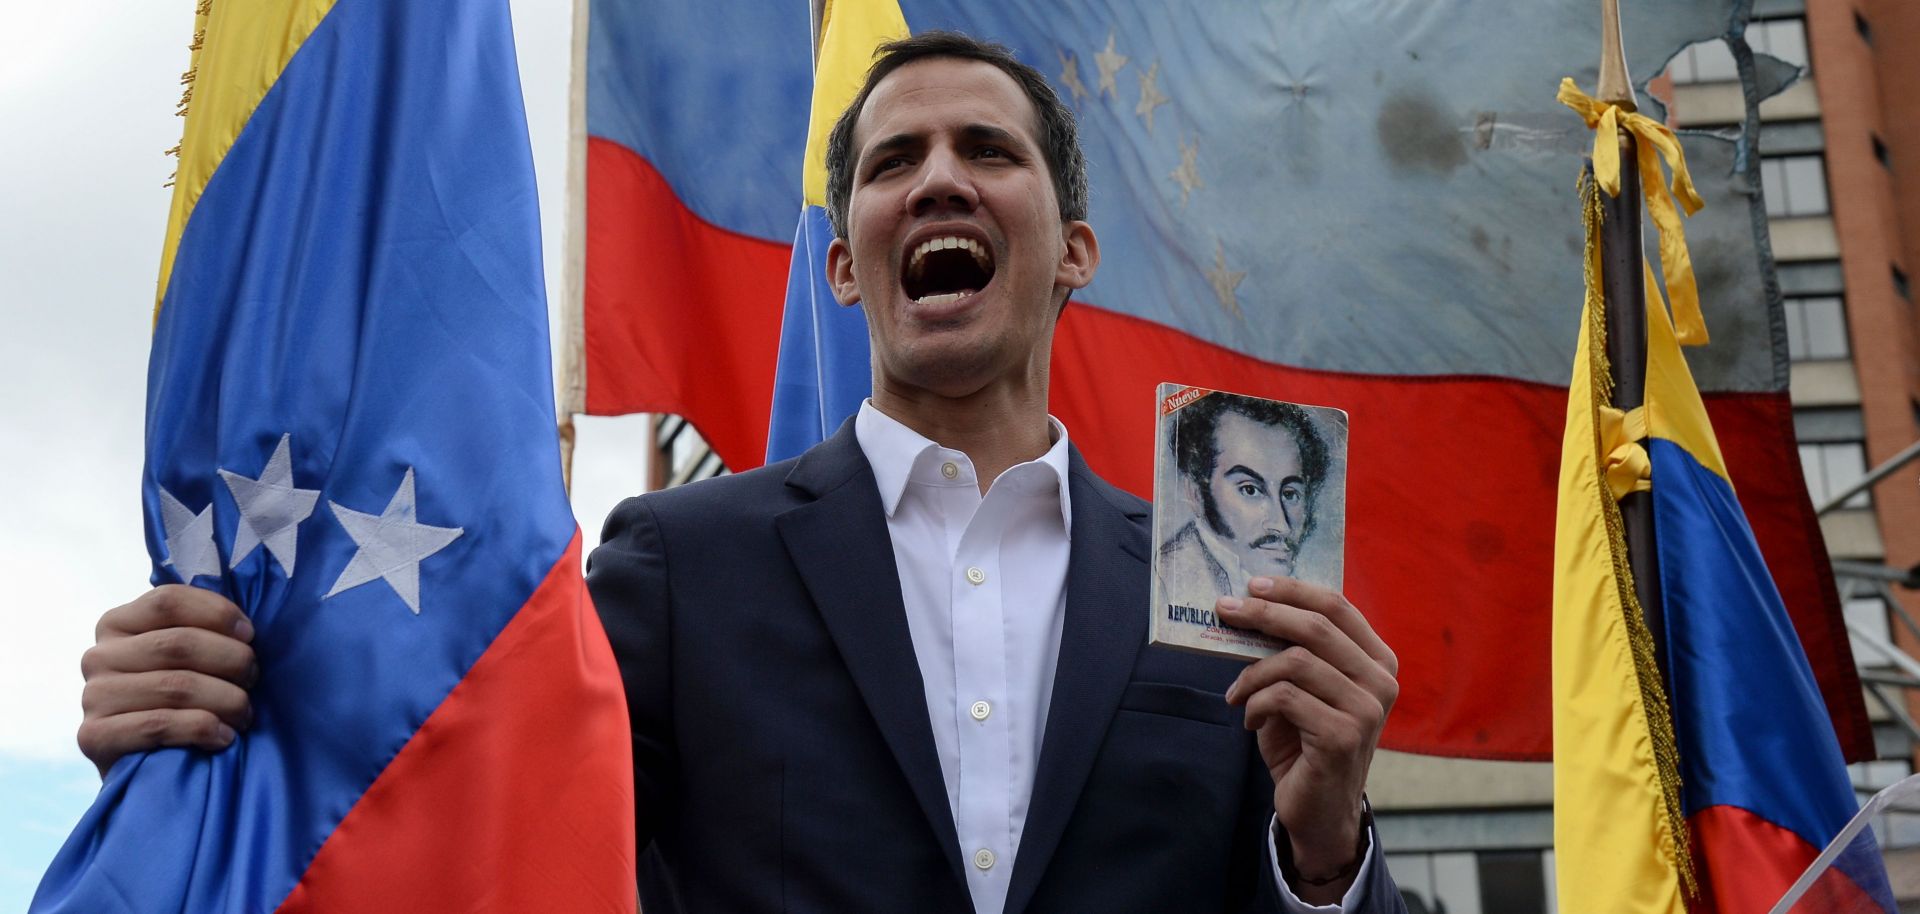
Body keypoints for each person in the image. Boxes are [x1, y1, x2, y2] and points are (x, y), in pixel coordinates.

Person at [75, 32, 1405, 913]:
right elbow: (458, 768)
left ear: (1075, 251)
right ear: (843, 263)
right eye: (895, 163)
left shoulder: (1230, 603)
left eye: (987, 153)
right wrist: (210, 719)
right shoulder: (678, 562)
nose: (940, 180)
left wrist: (1329, 851)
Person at [1160, 394, 1332, 606]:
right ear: (1195, 493)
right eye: (1250, 490)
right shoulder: (1163, 582)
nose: (1281, 525)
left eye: (1289, 494)